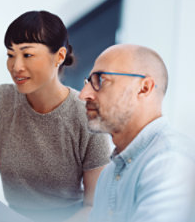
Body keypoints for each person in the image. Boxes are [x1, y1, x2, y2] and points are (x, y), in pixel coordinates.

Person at [0, 11, 111, 222]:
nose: (16, 67)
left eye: (27, 55)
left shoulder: (87, 115)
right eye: (11, 55)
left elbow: (94, 207)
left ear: (60, 56)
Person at [79, 44, 195, 222]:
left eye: (101, 80)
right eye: (88, 83)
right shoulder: (108, 174)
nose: (84, 94)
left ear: (144, 88)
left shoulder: (170, 162)